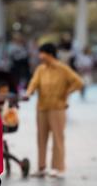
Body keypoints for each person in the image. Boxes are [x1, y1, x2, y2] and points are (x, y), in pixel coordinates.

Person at [25, 43, 84, 178]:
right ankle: (41, 167)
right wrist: (29, 93)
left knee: (57, 137)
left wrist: (66, 93)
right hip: (42, 108)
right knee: (41, 138)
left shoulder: (63, 69)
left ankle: (57, 167)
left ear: (49, 54)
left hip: (57, 108)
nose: (40, 56)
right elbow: (33, 82)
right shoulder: (41, 69)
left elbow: (78, 82)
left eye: (42, 53)